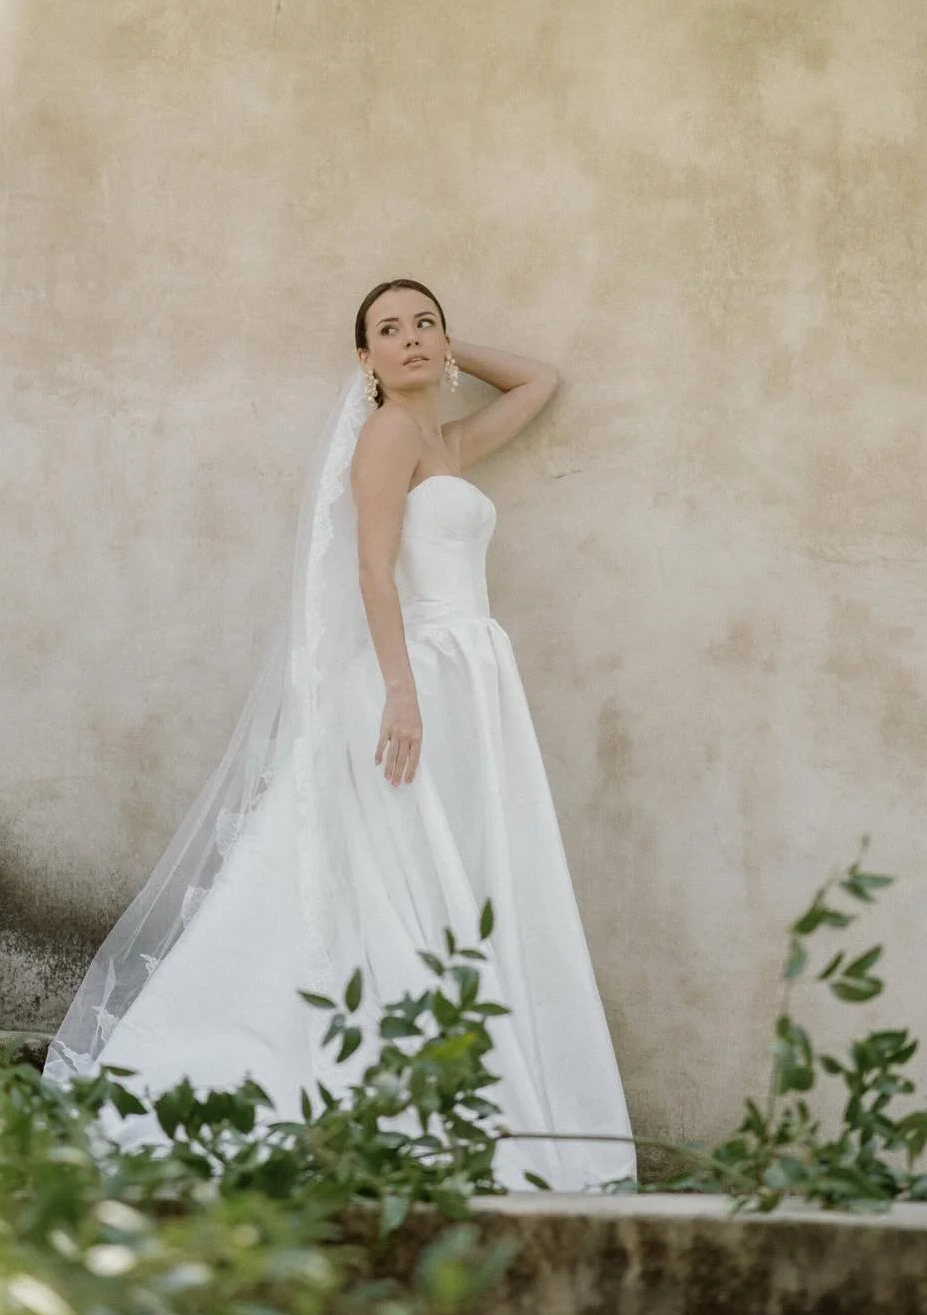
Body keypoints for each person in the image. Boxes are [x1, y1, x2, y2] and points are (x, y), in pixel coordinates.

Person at [46, 279, 634, 1190]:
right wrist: (401, 690)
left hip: (469, 676)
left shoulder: (445, 442)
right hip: (418, 675)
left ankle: (446, 1084)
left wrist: (453, 349)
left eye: (425, 324)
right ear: (364, 359)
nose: (412, 338)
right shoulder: (389, 434)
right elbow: (372, 567)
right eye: (388, 331)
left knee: (447, 876)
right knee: (398, 879)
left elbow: (541, 380)